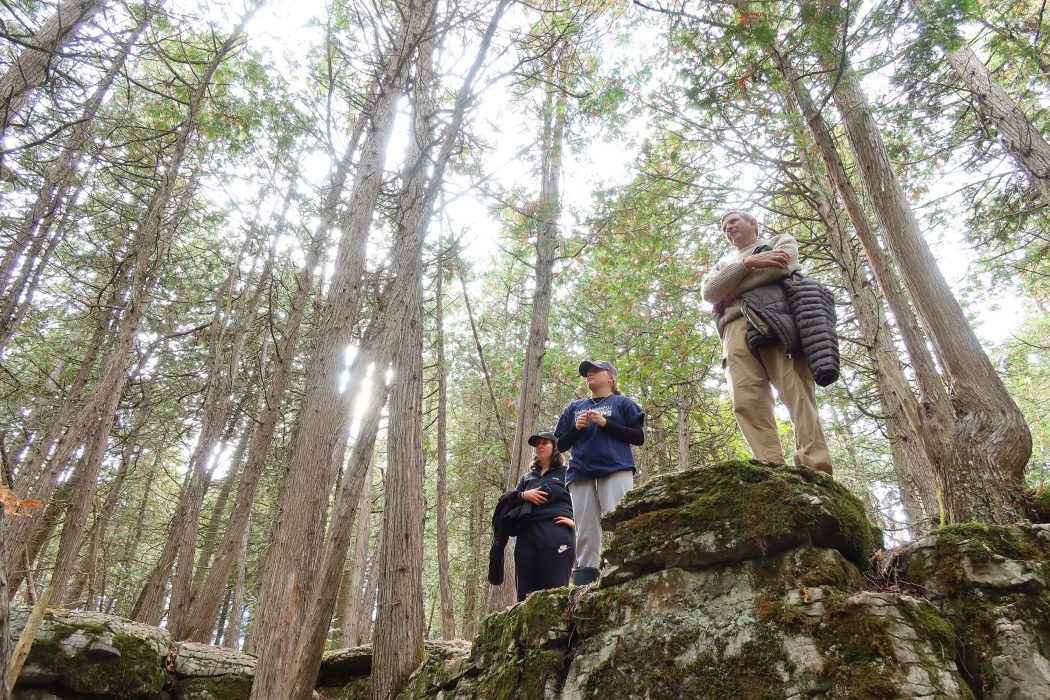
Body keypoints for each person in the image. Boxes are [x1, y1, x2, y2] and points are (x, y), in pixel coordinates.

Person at [700, 210, 833, 475]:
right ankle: (770, 468)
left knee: (796, 390)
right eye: (724, 227)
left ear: (752, 223)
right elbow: (710, 292)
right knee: (747, 399)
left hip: (775, 320)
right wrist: (748, 264)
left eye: (733, 222)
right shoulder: (721, 265)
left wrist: (732, 290)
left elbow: (783, 266)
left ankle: (816, 468)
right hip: (733, 330)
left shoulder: (778, 242)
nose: (728, 228)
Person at [555, 360, 645, 585]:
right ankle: (585, 577)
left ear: (611, 378)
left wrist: (606, 423)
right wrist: (576, 428)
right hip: (580, 472)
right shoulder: (574, 407)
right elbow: (560, 445)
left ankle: (626, 566)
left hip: (616, 468)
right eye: (587, 372)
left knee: (620, 519)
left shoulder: (622, 403)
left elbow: (638, 437)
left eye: (596, 370)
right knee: (585, 528)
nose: (590, 374)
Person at [512, 431, 576, 601]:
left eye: (544, 443)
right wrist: (524, 495)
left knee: (555, 592)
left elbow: (583, 497)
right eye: (537, 444)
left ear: (555, 448)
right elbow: (510, 503)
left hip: (556, 531)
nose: (539, 446)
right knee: (526, 595)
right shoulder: (526, 478)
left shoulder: (567, 472)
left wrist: (576, 521)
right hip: (526, 535)